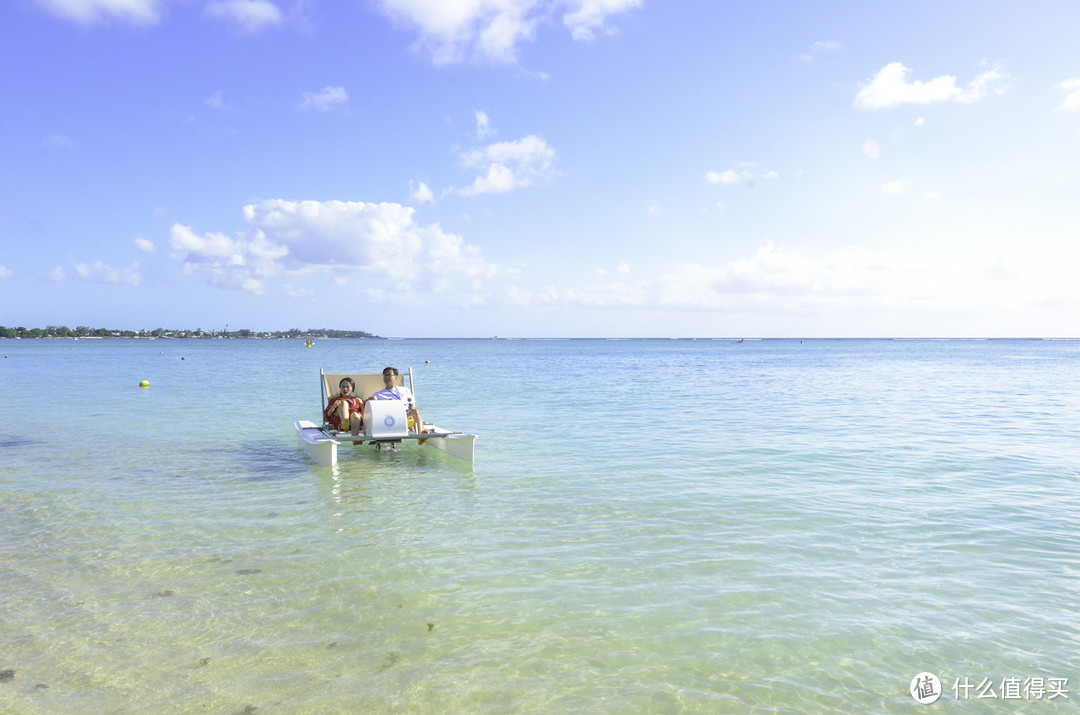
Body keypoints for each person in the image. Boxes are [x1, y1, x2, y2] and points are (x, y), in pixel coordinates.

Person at [370, 366, 424, 433]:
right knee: (392, 402)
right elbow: (374, 407)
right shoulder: (378, 394)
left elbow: (411, 405)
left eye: (389, 375)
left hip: (405, 413)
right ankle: (410, 425)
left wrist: (411, 415)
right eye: (385, 375)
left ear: (395, 377)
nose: (386, 377)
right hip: (390, 416)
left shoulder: (405, 390)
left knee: (415, 411)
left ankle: (420, 434)